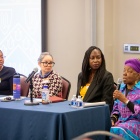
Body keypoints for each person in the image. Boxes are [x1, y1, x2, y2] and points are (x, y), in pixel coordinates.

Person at [76, 46, 114, 111]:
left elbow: (107, 103)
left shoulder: (107, 76)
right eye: (92, 58)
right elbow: (78, 97)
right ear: (87, 60)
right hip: (79, 110)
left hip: (94, 112)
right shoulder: (81, 76)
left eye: (98, 57)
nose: (95, 61)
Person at [110, 58, 140, 140]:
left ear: (138, 75)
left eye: (129, 71)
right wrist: (113, 119)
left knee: (120, 130)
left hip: (136, 124)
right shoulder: (121, 88)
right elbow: (116, 109)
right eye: (124, 70)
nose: (125, 74)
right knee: (106, 127)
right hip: (121, 122)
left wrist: (125, 100)